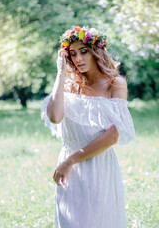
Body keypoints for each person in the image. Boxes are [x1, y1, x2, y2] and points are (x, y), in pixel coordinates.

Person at [41, 25, 135, 228]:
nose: (78, 58)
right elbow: (55, 117)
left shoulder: (115, 84)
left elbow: (113, 136)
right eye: (72, 54)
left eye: (84, 52)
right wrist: (60, 73)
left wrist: (71, 160)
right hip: (69, 168)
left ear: (96, 52)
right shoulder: (68, 85)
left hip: (98, 165)